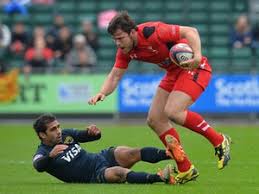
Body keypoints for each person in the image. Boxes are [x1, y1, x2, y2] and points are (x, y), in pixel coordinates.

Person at [88, 11, 231, 184]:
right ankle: (186, 168)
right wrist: (102, 92)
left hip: (194, 67)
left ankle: (219, 140)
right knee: (155, 119)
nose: (117, 43)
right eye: (114, 40)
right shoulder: (125, 50)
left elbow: (191, 31)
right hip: (173, 72)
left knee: (173, 111)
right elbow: (115, 75)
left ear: (132, 32)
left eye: (120, 38)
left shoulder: (153, 31)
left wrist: (197, 56)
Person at [32, 113, 175, 184]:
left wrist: (94, 133)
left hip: (100, 158)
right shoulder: (43, 153)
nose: (58, 131)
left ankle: (171, 153)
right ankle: (161, 177)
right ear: (42, 134)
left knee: (127, 152)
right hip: (94, 175)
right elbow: (38, 165)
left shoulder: (65, 135)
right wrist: (50, 156)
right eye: (53, 129)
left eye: (58, 126)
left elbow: (89, 136)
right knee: (119, 172)